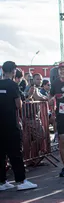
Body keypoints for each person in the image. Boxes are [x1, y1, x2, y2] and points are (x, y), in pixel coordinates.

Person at [0, 61, 38, 191]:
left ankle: (2, 182)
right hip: (11, 124)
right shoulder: (13, 85)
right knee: (16, 153)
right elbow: (19, 105)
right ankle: (21, 181)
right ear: (14, 71)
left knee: (1, 154)